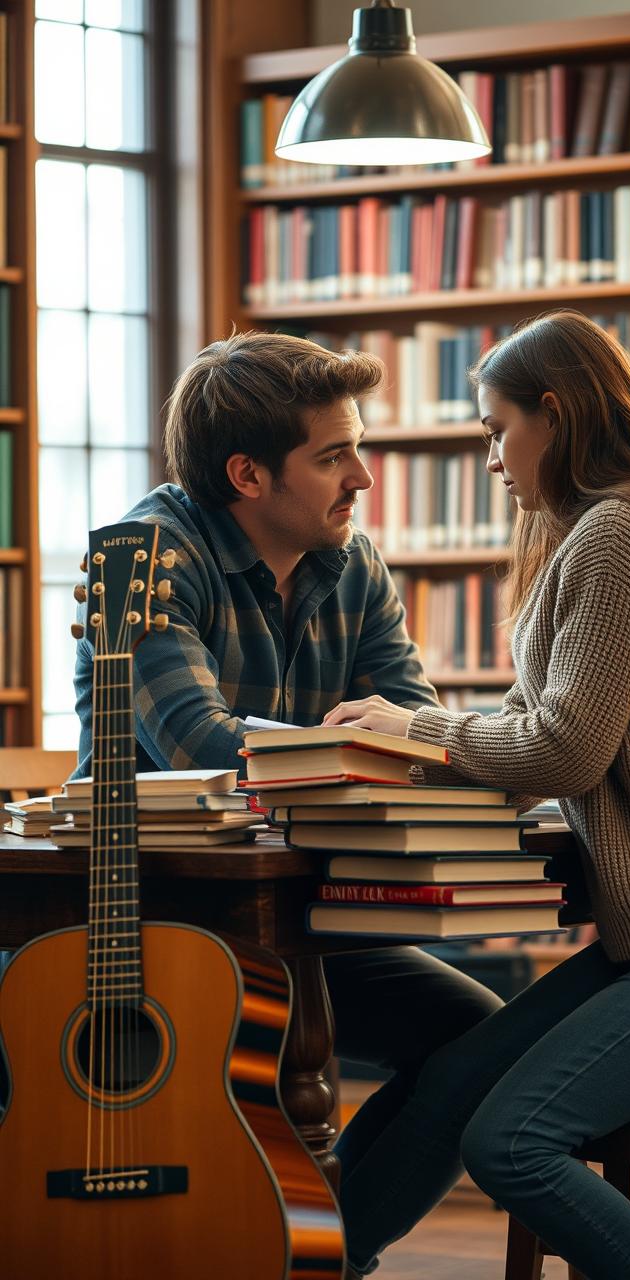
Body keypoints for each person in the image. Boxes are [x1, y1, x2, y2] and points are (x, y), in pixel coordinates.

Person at [322, 310, 630, 1279]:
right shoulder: (601, 528)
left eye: (495, 429)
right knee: (451, 1084)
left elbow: (560, 750)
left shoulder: (620, 529)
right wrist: (429, 753)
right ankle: (306, 1261)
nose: (491, 460)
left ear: (554, 415)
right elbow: (535, 717)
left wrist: (412, 727)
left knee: (508, 1140)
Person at [70, 331, 502, 1280]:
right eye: (334, 453)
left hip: (303, 908)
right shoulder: (143, 557)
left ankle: (325, 1254)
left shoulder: (351, 561)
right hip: (148, 930)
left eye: (357, 446)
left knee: (481, 1042)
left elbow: (418, 723)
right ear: (248, 475)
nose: (365, 477)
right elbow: (198, 743)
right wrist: (363, 750)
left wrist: (387, 745)